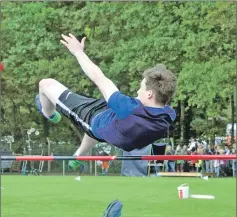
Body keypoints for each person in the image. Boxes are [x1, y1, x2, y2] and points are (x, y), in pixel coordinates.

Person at [35, 33, 177, 170]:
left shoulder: (127, 108)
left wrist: (78, 52)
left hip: (93, 121)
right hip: (115, 126)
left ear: (150, 94)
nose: (138, 92)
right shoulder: (168, 115)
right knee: (107, 123)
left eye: (140, 88)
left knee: (45, 84)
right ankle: (78, 155)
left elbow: (98, 78)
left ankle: (48, 113)